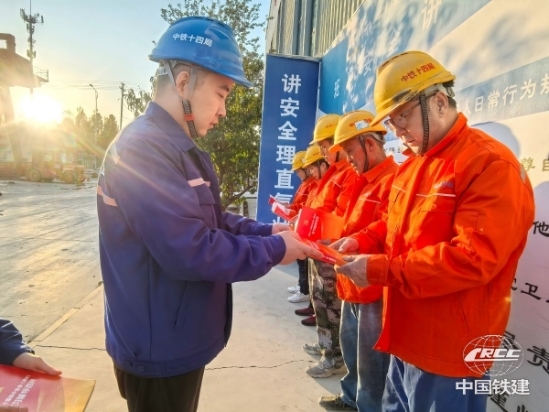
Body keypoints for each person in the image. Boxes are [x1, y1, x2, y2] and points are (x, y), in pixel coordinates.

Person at [96, 16, 319, 412]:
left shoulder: (174, 147)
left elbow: (208, 217)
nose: (224, 111)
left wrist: (267, 231)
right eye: (221, 93)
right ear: (183, 82)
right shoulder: (144, 151)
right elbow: (190, 249)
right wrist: (275, 250)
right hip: (158, 346)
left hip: (172, 333)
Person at [333, 51, 535, 412]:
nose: (397, 131)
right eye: (391, 121)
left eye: (402, 116)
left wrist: (379, 270)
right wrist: (360, 240)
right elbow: (392, 224)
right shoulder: (414, 165)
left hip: (450, 353)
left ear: (439, 102)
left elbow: (472, 258)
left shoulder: (489, 163)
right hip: (404, 339)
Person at [318, 111, 397, 411]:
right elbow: (348, 222)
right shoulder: (360, 180)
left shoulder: (393, 180)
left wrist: (356, 241)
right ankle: (351, 398)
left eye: (351, 151)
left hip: (372, 287)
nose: (348, 158)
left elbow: (386, 227)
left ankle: (368, 406)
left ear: (370, 145)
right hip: (350, 279)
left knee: (372, 362)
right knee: (352, 348)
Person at [302, 115, 358, 378]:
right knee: (319, 300)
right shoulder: (333, 174)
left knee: (330, 304)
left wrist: (316, 226)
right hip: (318, 247)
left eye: (326, 147)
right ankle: (325, 345)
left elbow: (340, 214)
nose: (324, 153)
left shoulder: (349, 175)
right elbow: (320, 206)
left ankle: (334, 356)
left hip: (330, 249)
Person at [286, 150, 318, 303]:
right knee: (301, 260)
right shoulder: (305, 184)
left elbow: (307, 207)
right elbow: (301, 205)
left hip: (305, 226)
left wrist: (294, 211)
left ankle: (304, 290)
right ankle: (302, 285)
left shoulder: (312, 184)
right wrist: (289, 207)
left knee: (303, 259)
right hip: (300, 224)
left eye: (299, 171)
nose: (298, 174)